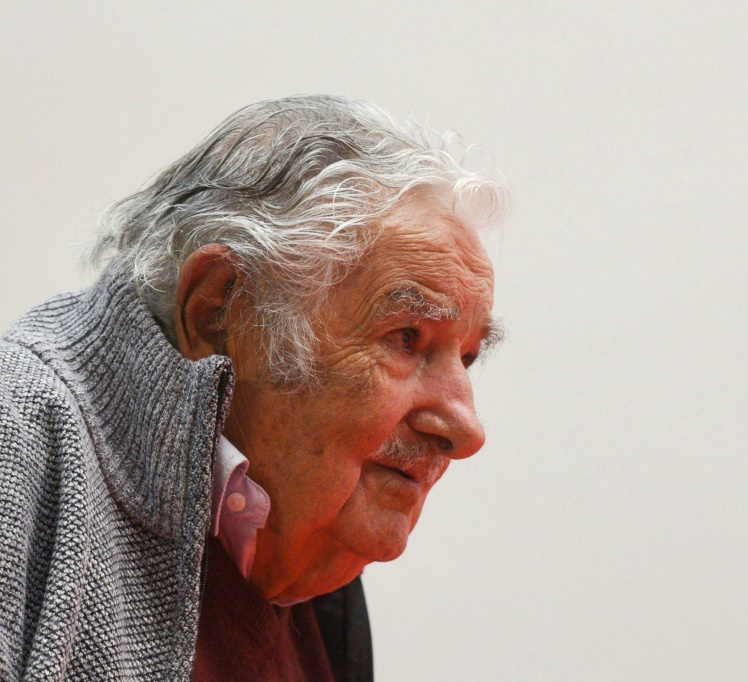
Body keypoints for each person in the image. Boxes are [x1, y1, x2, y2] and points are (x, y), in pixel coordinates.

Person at [0, 95, 506, 680]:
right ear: (218, 311)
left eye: (467, 357)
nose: (467, 430)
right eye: (406, 338)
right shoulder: (18, 445)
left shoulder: (303, 554)